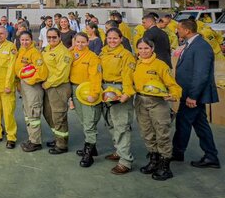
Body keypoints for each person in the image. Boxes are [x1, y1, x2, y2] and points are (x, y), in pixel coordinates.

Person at [172, 19, 220, 168]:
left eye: (179, 29)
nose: (177, 31)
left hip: (193, 95)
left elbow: (201, 74)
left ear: (187, 31)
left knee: (183, 121)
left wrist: (193, 96)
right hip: (189, 93)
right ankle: (211, 156)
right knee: (201, 125)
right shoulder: (191, 44)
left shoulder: (201, 47)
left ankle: (177, 152)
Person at [133, 38, 182, 181]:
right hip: (141, 101)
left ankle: (165, 165)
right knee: (147, 133)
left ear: (152, 49)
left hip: (158, 102)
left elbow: (172, 85)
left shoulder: (161, 65)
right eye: (140, 49)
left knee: (162, 133)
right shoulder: (135, 64)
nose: (143, 51)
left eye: (146, 48)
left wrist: (174, 95)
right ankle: (154, 161)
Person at [100, 28, 136, 175]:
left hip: (119, 89)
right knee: (110, 122)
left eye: (115, 38)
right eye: (109, 38)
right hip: (105, 89)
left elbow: (128, 76)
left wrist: (126, 93)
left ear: (121, 39)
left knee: (121, 125)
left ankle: (125, 161)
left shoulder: (126, 55)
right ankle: (119, 151)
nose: (112, 41)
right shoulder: (103, 53)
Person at [70, 33, 102, 167]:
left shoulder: (93, 57)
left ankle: (88, 153)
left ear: (88, 42)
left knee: (89, 121)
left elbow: (96, 76)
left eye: (83, 42)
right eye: (77, 42)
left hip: (87, 90)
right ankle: (91, 146)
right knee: (83, 120)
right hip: (75, 90)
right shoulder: (71, 54)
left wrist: (94, 93)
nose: (80, 45)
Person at [15, 31, 48, 152]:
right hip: (24, 86)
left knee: (33, 113)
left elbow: (42, 72)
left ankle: (36, 142)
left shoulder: (34, 53)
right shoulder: (22, 51)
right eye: (22, 40)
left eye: (27, 40)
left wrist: (30, 80)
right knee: (28, 113)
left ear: (31, 40)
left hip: (32, 87)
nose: (24, 42)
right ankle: (32, 138)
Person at [41, 28, 73, 154]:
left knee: (59, 115)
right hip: (47, 86)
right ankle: (58, 137)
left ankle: (62, 144)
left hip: (58, 87)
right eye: (49, 37)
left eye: (54, 37)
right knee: (48, 113)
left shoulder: (64, 53)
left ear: (60, 37)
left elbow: (62, 73)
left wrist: (47, 83)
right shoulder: (47, 49)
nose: (51, 39)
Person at [0, 26, 18, 148]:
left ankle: (11, 137)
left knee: (8, 112)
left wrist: (8, 85)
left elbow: (11, 67)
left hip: (6, 87)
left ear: (6, 34)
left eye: (2, 33)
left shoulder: (11, 47)